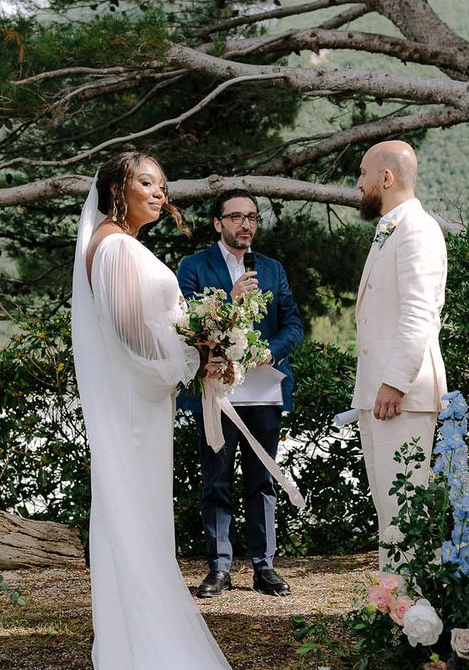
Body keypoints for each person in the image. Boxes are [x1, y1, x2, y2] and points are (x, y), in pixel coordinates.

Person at [71, 151, 231, 669]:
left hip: (143, 404)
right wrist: (195, 351)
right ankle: (145, 647)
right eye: (147, 183)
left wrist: (198, 347)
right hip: (135, 411)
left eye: (162, 184)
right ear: (118, 188)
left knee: (140, 517)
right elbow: (128, 336)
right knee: (136, 515)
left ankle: (136, 640)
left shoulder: (122, 245)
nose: (159, 193)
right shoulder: (115, 249)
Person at [177, 189, 304, 598]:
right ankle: (219, 567)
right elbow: (183, 324)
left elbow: (293, 325)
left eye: (251, 217)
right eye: (236, 217)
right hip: (217, 391)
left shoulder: (271, 269)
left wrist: (271, 350)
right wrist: (229, 304)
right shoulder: (194, 267)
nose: (246, 224)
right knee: (215, 480)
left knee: (261, 479)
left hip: (264, 389)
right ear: (218, 223)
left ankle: (264, 566)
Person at [352, 141, 448, 570]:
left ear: (385, 178)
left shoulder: (417, 230)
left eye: (363, 173)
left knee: (404, 513)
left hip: (402, 394)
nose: (358, 183)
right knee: (389, 512)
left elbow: (419, 314)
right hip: (379, 392)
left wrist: (394, 382)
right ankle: (396, 610)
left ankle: (412, 616)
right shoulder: (392, 227)